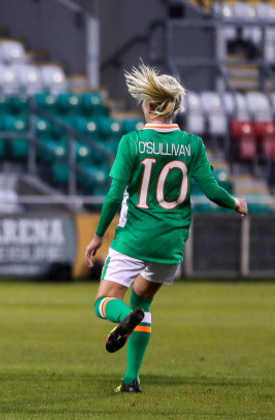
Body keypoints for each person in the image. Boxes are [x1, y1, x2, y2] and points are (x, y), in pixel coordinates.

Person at [84, 62, 248, 393]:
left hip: (134, 237)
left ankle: (122, 319)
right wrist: (235, 203)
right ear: (174, 108)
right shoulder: (192, 144)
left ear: (148, 104)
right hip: (171, 243)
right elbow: (213, 190)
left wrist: (99, 235)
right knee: (142, 304)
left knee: (104, 302)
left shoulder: (132, 142)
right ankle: (131, 380)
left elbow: (115, 195)